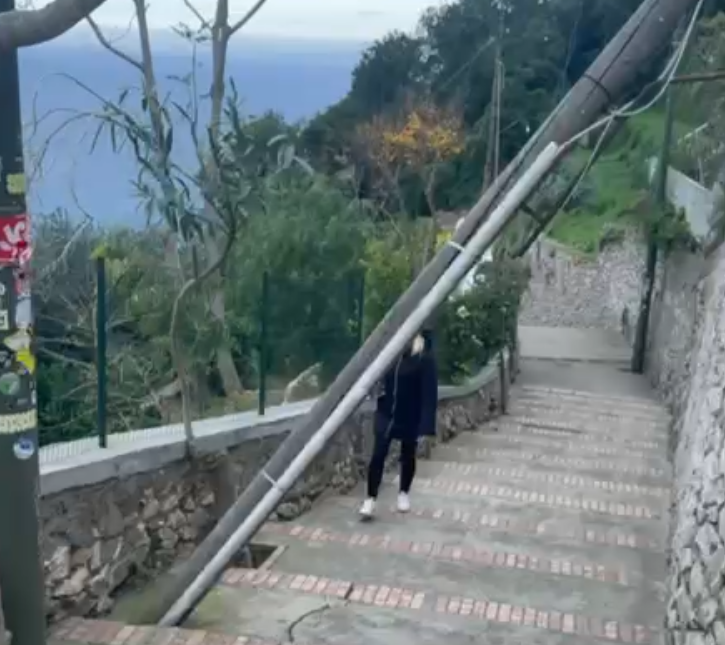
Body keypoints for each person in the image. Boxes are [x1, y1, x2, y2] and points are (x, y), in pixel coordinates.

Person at [359, 328, 438, 519]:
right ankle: (370, 498)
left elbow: (429, 394)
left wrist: (426, 426)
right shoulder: (391, 356)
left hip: (410, 415)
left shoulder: (423, 359)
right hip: (386, 413)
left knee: (408, 454)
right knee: (378, 454)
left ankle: (404, 492)